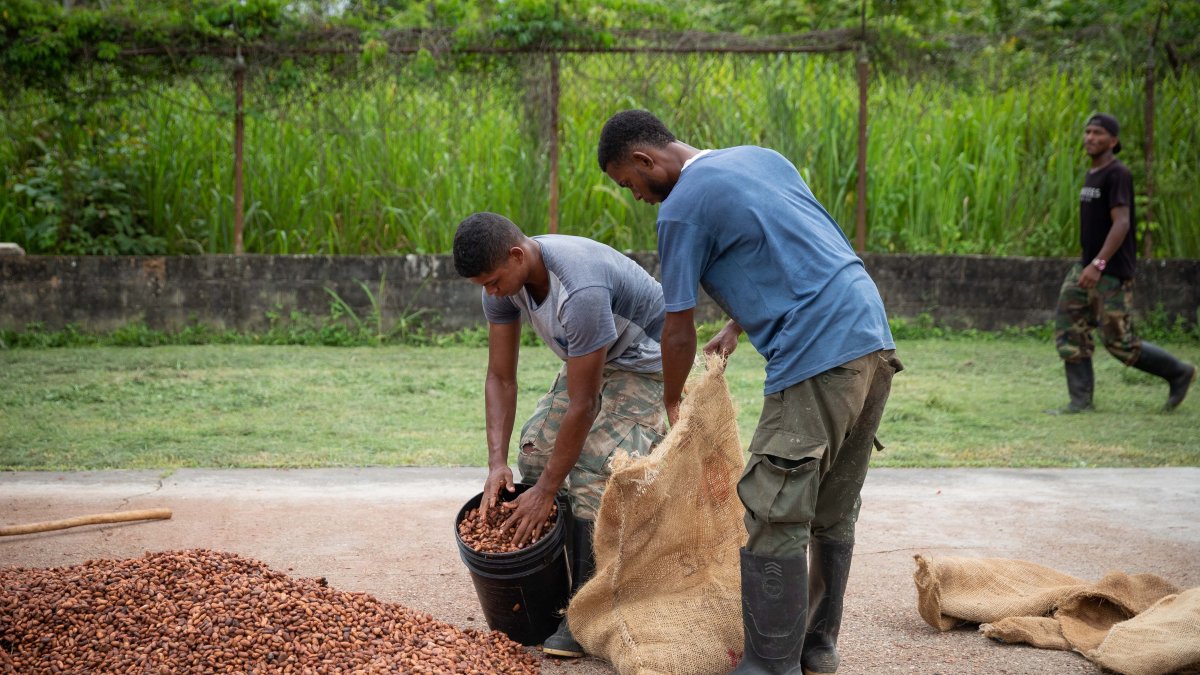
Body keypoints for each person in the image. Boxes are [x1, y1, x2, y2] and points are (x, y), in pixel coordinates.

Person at [598, 109, 901, 675]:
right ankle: (815, 645)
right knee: (831, 507)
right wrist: (738, 325)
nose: (635, 195)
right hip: (871, 338)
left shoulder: (682, 209)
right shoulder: (762, 159)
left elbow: (677, 324)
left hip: (816, 354)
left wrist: (674, 404)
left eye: (629, 183)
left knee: (774, 508)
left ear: (644, 160)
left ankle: (769, 662)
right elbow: (801, 248)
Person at [451, 212, 668, 658]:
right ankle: (554, 590)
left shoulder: (579, 290)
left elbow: (583, 404)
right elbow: (500, 378)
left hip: (646, 364)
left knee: (593, 468)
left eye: (492, 282)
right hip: (591, 359)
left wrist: (548, 490)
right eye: (483, 287)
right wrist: (497, 463)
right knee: (533, 452)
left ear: (516, 255)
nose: (490, 293)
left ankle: (584, 610)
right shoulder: (506, 280)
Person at [1050, 113, 1196, 414]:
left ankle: (1179, 372)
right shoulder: (1093, 173)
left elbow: (1122, 223)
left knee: (1119, 341)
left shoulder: (1117, 173)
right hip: (1086, 266)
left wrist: (1099, 264)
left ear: (1113, 141)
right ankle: (1080, 401)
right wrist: (1088, 264)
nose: (1090, 137)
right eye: (1087, 131)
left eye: (1098, 133)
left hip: (1110, 272)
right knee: (1069, 326)